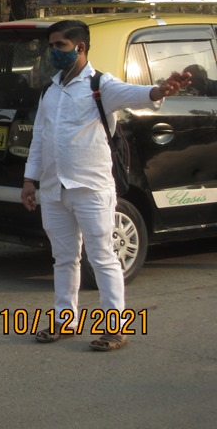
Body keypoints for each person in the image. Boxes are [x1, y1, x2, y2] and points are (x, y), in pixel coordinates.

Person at [21, 19, 189, 351]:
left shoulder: (101, 85)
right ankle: (64, 320)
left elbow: (139, 94)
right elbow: (39, 139)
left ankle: (115, 328)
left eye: (60, 46)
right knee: (64, 257)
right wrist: (30, 180)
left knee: (102, 258)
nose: (53, 52)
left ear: (79, 48)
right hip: (54, 190)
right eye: (51, 46)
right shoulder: (50, 90)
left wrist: (160, 90)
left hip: (91, 188)